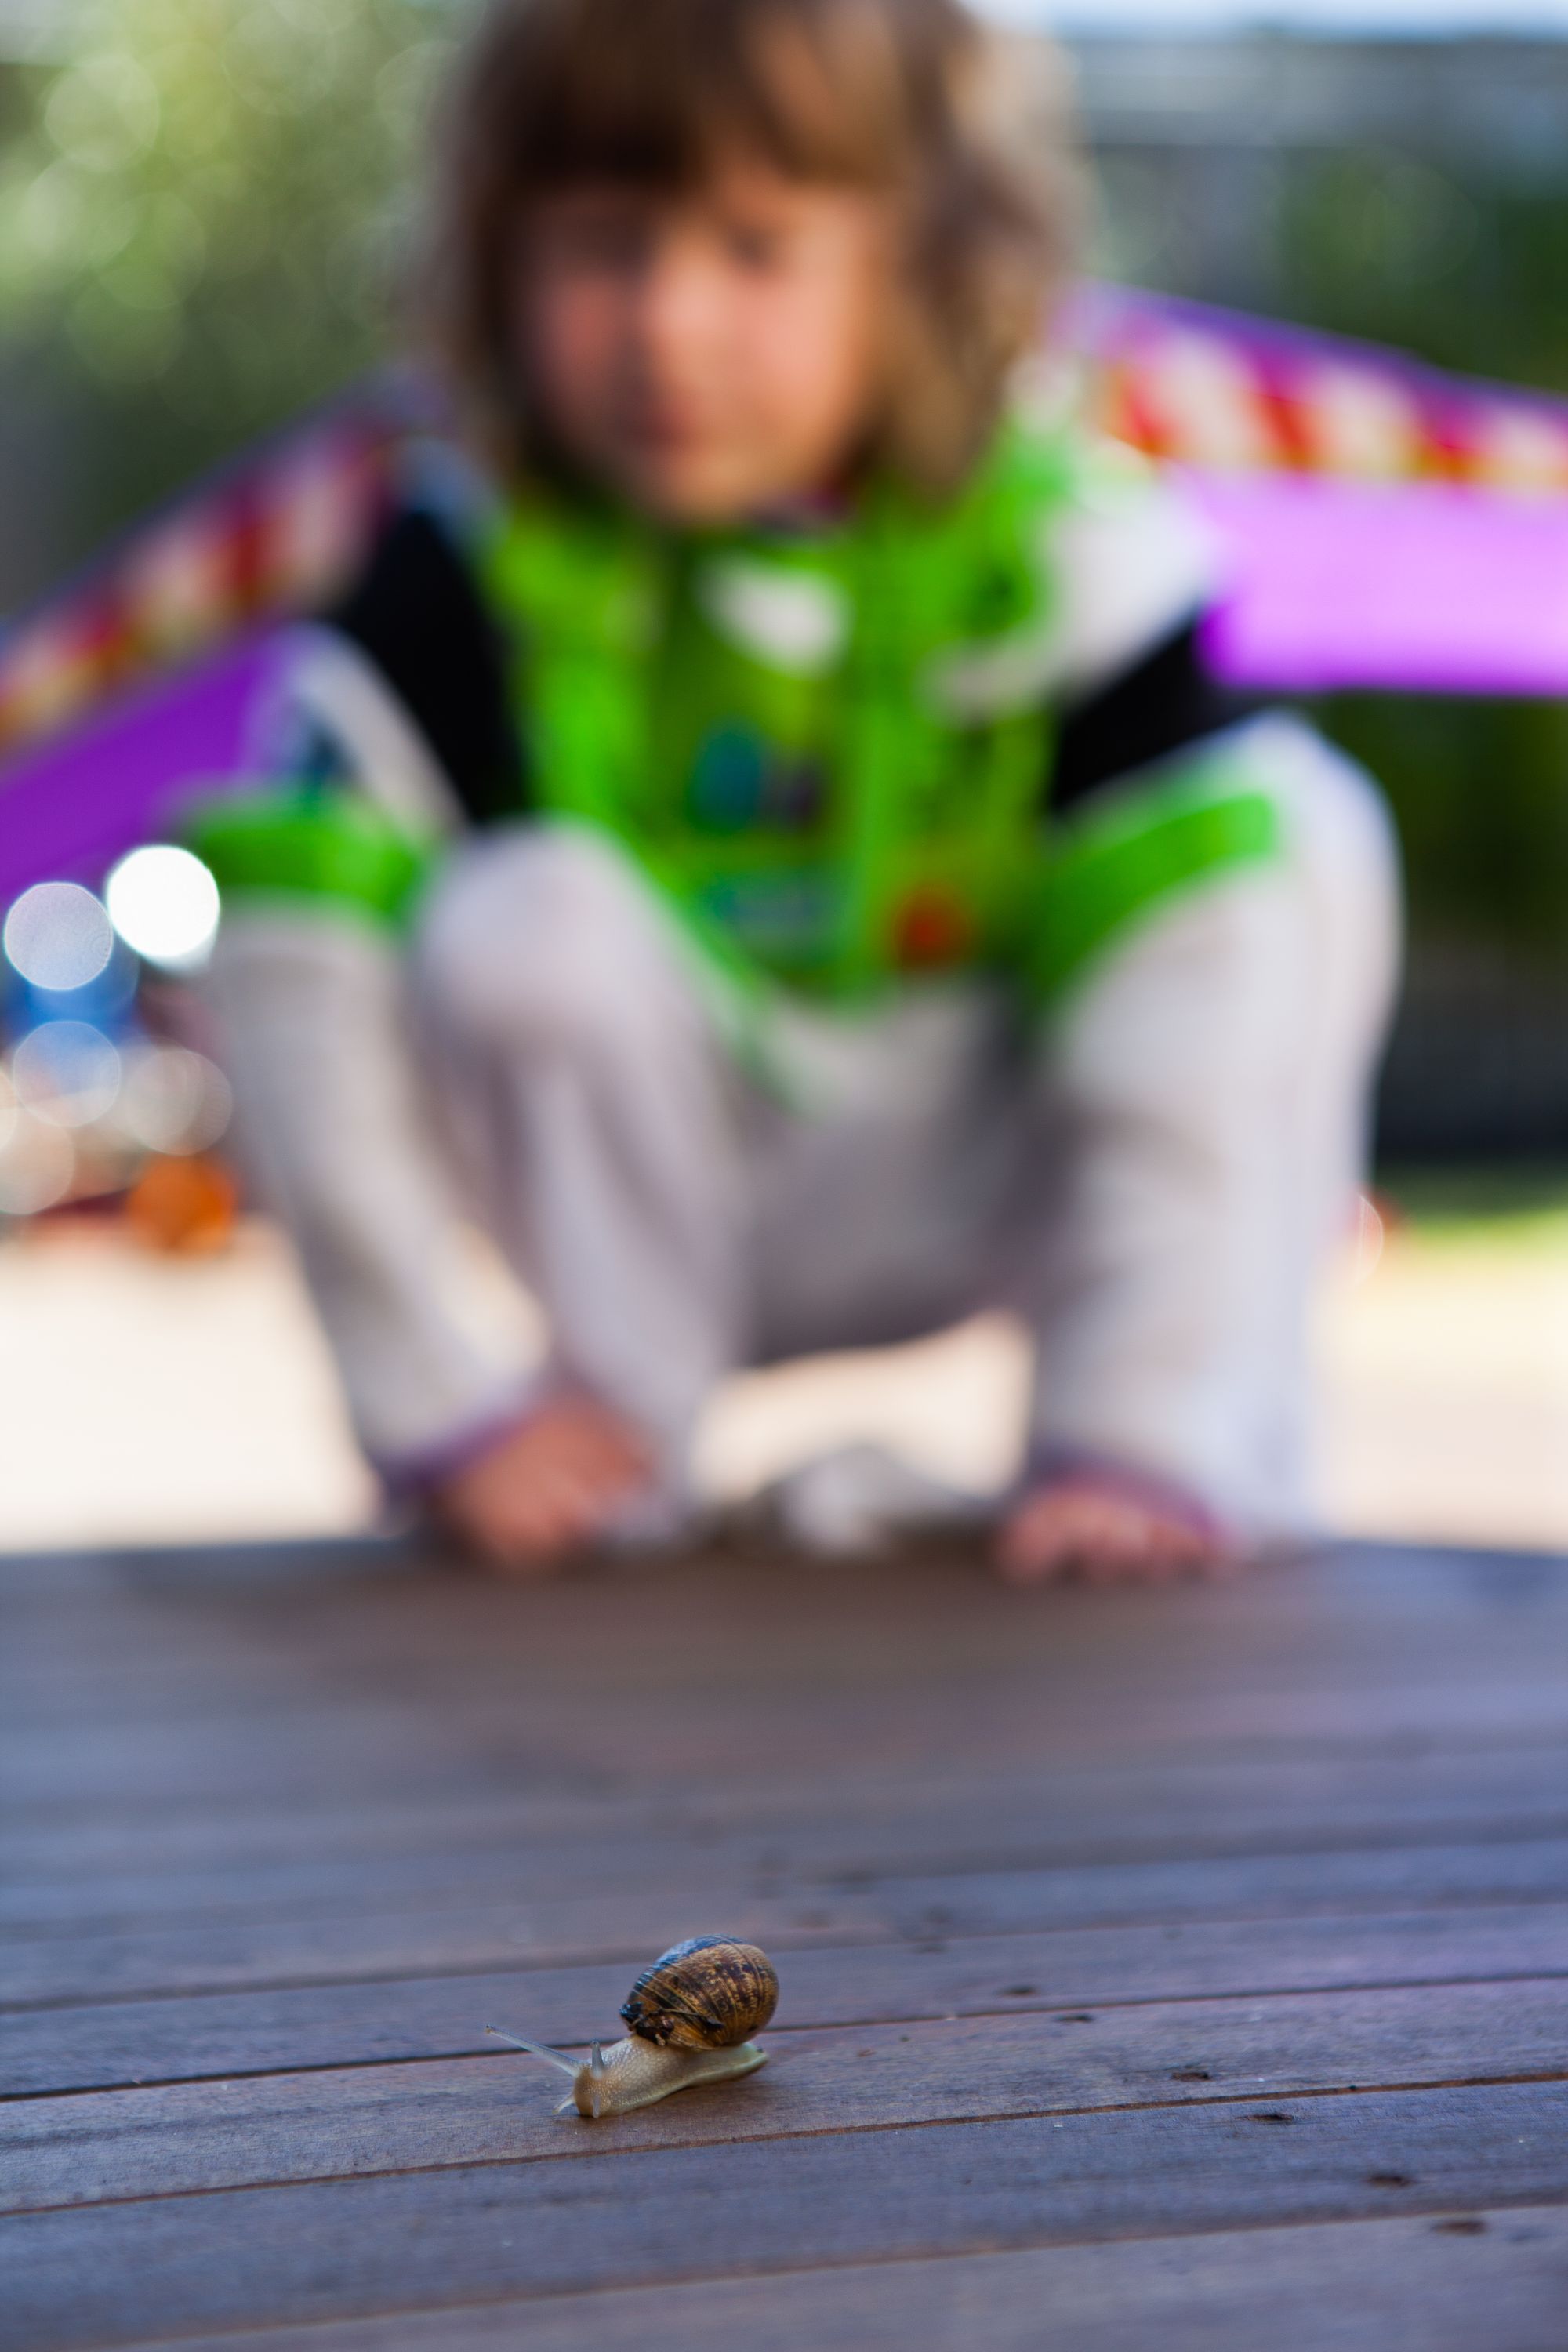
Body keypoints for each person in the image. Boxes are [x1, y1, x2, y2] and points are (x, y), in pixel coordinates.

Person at [194, 0, 1399, 1581]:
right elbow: (293, 954)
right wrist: (436, 1406)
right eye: (601, 245)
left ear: (928, 259)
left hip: (985, 1162)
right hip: (650, 1190)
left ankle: (1158, 1443)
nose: (667, 323)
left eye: (756, 249)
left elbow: (1224, 973)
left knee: (1296, 829)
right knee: (522, 917)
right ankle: (610, 1461)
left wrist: (1150, 1412)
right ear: (496, 257)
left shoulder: (1071, 555)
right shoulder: (455, 567)